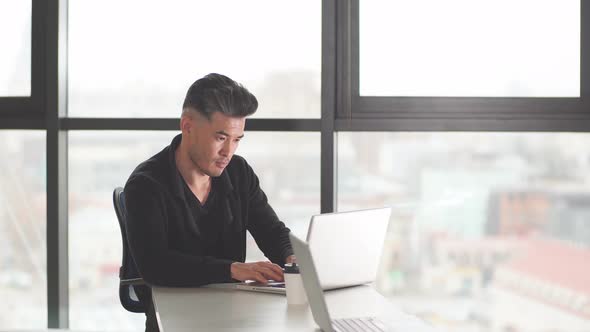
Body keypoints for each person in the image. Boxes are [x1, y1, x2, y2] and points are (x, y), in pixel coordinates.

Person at [123, 73, 295, 332]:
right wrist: (233, 270)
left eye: (237, 140)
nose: (229, 152)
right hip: (173, 317)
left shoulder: (239, 173)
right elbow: (155, 266)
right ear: (188, 126)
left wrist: (292, 259)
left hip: (231, 313)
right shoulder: (146, 185)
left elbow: (271, 231)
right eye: (220, 137)